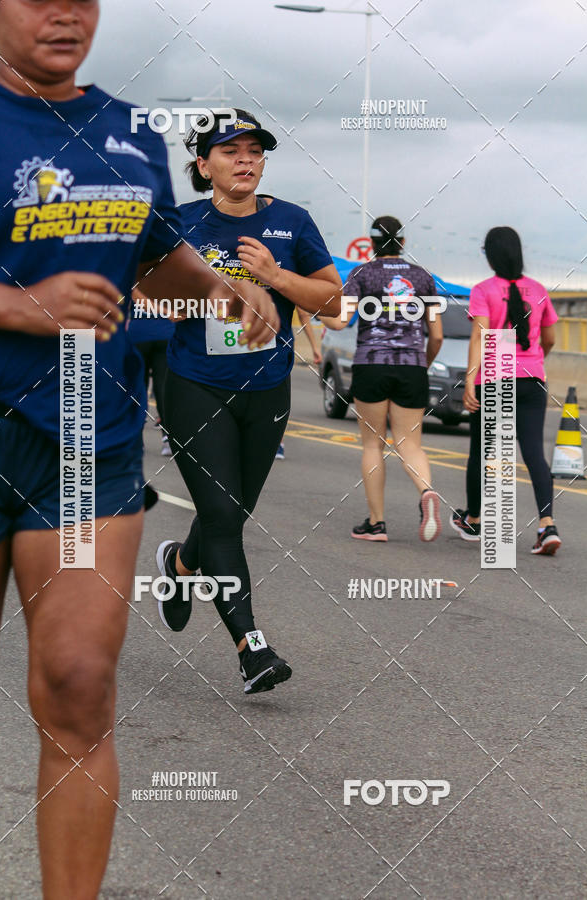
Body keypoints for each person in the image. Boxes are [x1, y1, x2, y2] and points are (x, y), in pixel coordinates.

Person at [0, 4, 278, 897]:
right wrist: (16, 305)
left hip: (87, 441)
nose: (64, 11)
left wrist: (224, 288)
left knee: (78, 688)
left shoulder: (126, 130)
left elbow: (150, 257)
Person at [156, 109, 342, 694]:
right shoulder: (179, 223)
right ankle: (252, 648)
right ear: (202, 164)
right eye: (229, 151)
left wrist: (276, 278)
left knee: (229, 515)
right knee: (221, 518)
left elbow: (333, 303)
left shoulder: (292, 222)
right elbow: (148, 300)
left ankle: (181, 568)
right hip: (193, 384)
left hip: (267, 389)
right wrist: (220, 290)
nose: (245, 160)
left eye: (254, 151)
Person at [319, 216, 443, 542]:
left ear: (372, 244)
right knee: (410, 444)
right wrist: (421, 364)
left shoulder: (362, 274)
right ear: (403, 242)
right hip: (412, 366)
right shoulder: (422, 277)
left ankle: (377, 523)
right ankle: (426, 491)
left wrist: (314, 313)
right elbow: (438, 336)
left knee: (373, 444)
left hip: (371, 364)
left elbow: (341, 320)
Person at [451, 226, 560, 555]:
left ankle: (474, 519)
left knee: (481, 453)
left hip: (495, 378)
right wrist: (532, 365)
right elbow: (550, 338)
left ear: (492, 255)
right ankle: (547, 525)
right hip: (532, 380)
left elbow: (480, 338)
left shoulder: (484, 290)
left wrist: (471, 380)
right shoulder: (538, 289)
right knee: (534, 455)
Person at [127, 299, 174, 455]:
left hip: (139, 331)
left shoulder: (136, 276)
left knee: (138, 388)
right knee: (162, 389)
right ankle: (167, 439)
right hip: (165, 331)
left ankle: (136, 440)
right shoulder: (171, 276)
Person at [275, 306, 322, 460]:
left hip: (268, 342)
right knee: (276, 393)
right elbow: (303, 314)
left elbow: (302, 313)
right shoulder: (283, 281)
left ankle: (276, 443)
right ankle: (276, 444)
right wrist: (315, 347)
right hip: (277, 342)